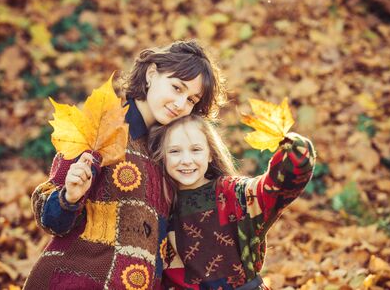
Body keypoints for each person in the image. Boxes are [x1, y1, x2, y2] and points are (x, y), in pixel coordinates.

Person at [23, 40, 227, 290]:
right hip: (76, 281)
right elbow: (49, 217)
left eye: (191, 100)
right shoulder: (103, 129)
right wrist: (69, 197)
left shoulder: (172, 157)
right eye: (176, 88)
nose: (180, 103)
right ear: (152, 74)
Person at [148, 115, 316, 290]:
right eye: (175, 151)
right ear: (162, 156)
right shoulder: (160, 205)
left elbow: (272, 189)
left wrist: (296, 150)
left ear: (210, 154)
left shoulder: (231, 193)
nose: (186, 160)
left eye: (196, 149)